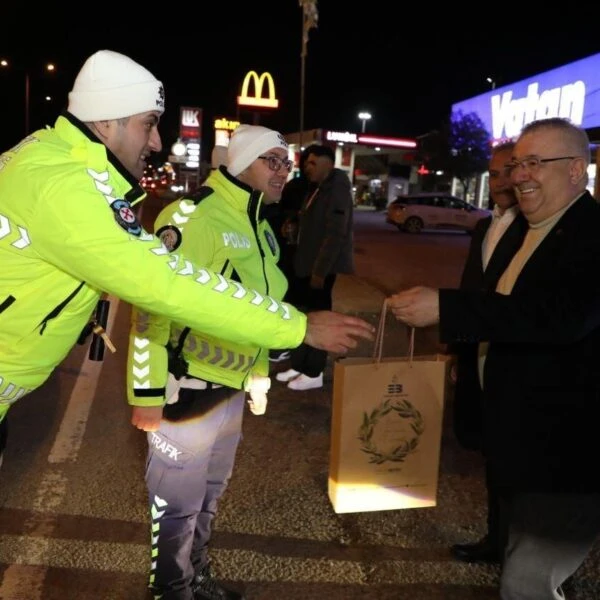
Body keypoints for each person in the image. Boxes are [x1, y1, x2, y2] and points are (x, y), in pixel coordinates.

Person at [0, 51, 374, 470]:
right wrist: (297, 326)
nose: (157, 142)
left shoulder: (52, 159)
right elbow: (165, 287)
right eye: (148, 123)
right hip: (189, 385)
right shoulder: (65, 186)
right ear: (107, 122)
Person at [388, 117, 600, 600]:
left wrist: (445, 307)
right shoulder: (524, 229)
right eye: (516, 163)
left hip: (566, 453)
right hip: (517, 438)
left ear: (575, 170)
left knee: (526, 582)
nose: (519, 175)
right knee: (519, 558)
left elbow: (559, 317)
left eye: (534, 163)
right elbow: (497, 305)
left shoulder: (592, 235)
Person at [126, 124, 298, 600]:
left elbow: (261, 310)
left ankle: (196, 578)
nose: (283, 171)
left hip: (232, 389)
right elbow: (151, 308)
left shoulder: (259, 224)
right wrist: (146, 393)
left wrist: (259, 374)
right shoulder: (194, 215)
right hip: (185, 390)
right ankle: (170, 591)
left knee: (208, 498)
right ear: (240, 162)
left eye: (287, 162)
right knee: (176, 507)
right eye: (272, 160)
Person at [449, 141, 528, 565]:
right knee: (491, 455)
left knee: (514, 460)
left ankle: (524, 556)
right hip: (477, 353)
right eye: (493, 174)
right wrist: (455, 351)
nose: (500, 183)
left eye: (507, 173)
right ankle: (497, 540)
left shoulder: (534, 230)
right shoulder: (483, 227)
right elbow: (470, 291)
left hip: (511, 359)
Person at [276, 144, 355, 390]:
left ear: (326, 162)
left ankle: (314, 372)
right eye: (306, 163)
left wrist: (320, 271)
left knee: (319, 316)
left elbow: (335, 235)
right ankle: (300, 365)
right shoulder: (318, 188)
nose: (307, 168)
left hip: (319, 269)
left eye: (312, 163)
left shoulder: (337, 186)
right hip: (305, 265)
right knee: (304, 316)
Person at [264, 145, 313, 363]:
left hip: (294, 253)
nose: (282, 171)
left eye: (286, 164)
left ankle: (294, 353)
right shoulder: (300, 187)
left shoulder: (314, 188)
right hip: (286, 250)